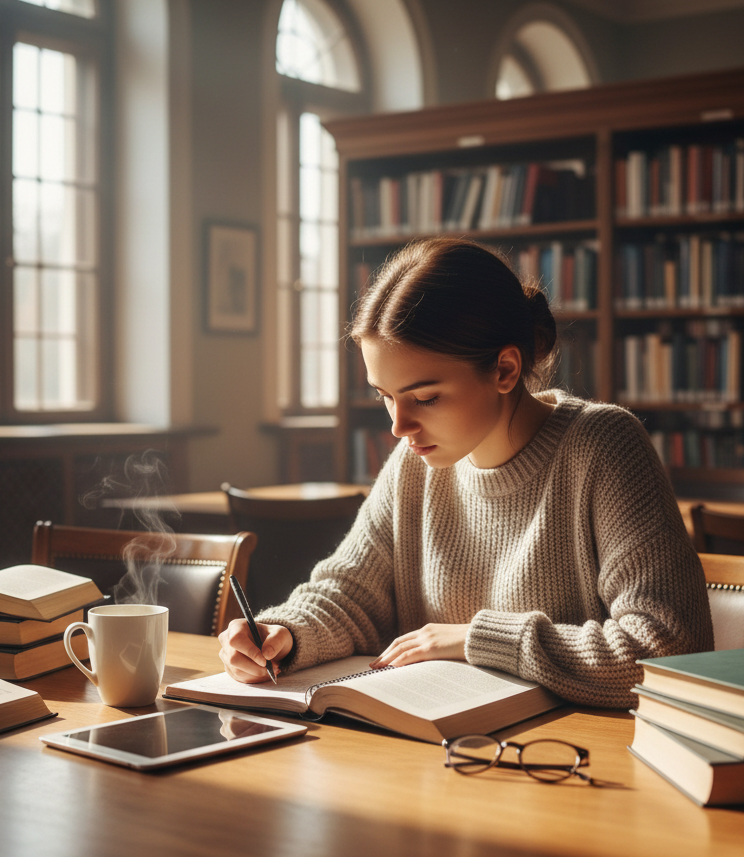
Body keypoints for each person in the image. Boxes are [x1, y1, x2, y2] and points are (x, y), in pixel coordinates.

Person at [219, 237, 712, 708]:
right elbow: (348, 594)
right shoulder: (415, 465)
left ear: (504, 370)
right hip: (438, 754)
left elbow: (668, 649)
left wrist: (478, 638)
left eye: (426, 398)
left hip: (566, 761)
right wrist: (285, 632)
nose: (398, 426)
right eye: (385, 396)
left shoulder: (604, 446)